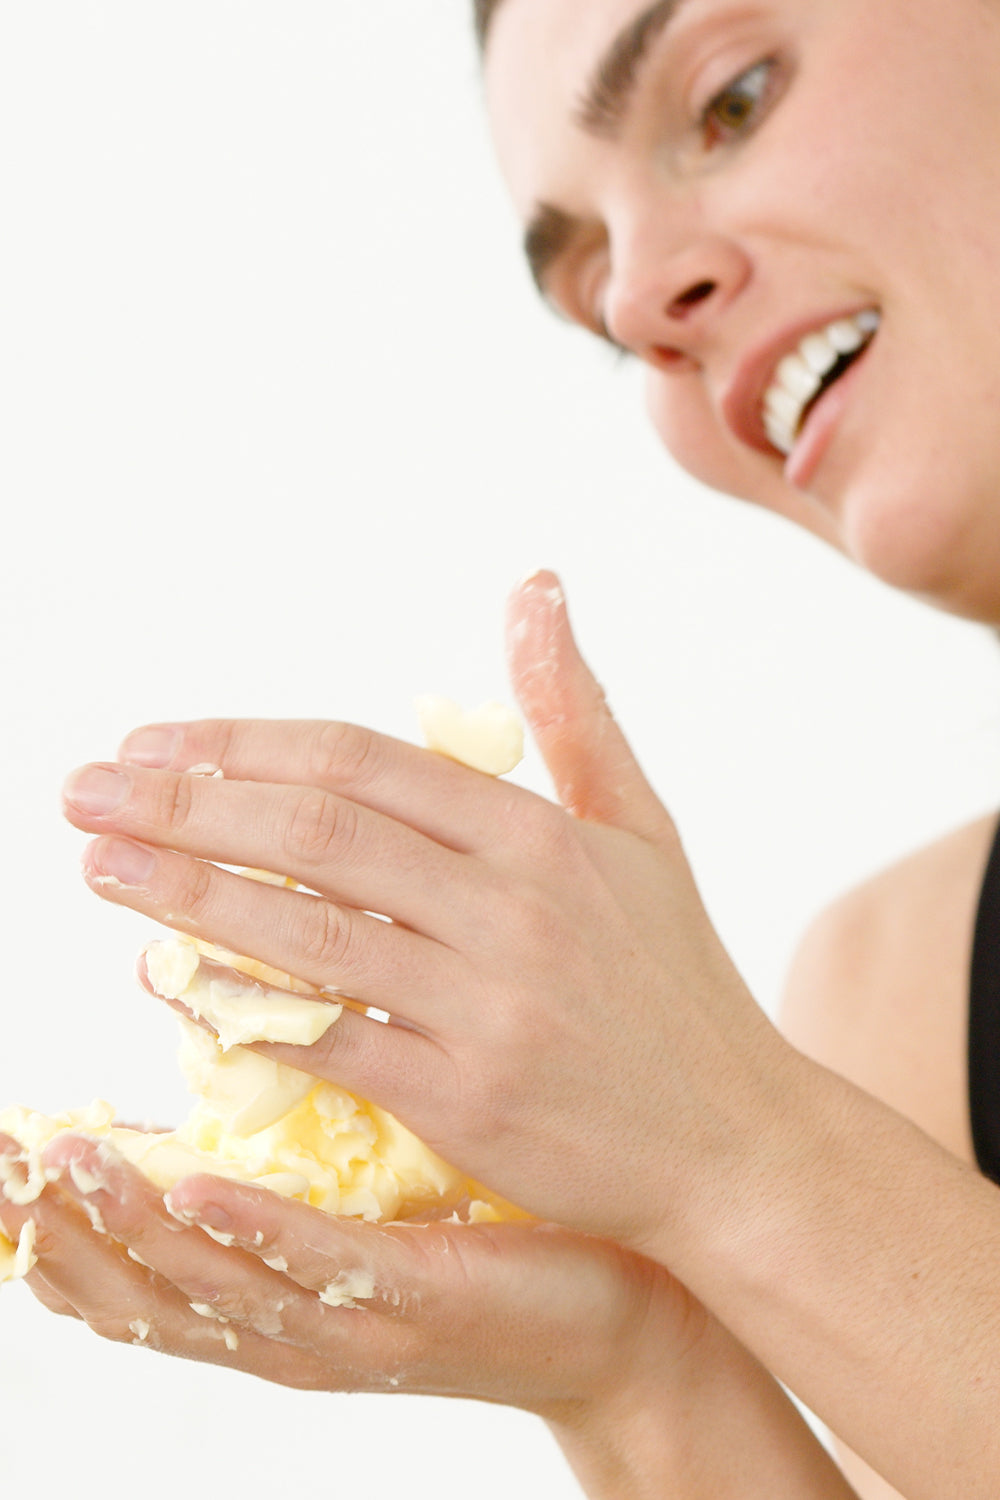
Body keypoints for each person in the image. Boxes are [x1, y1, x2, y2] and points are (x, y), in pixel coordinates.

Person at [3, 0, 1000, 1494]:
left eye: (731, 101)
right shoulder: (897, 995)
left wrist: (733, 1148)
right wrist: (635, 1369)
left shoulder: (810, 1116)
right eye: (596, 299)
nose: (646, 297)